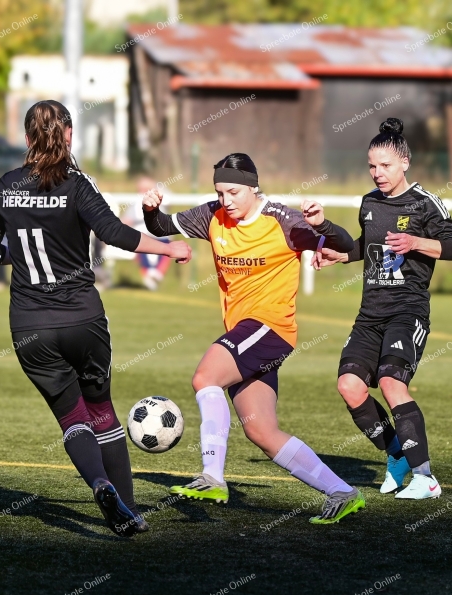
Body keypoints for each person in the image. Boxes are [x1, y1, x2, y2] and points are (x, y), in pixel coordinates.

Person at [0, 99, 191, 537]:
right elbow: (114, 233)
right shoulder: (76, 183)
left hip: (29, 325)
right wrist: (169, 248)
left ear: (27, 137)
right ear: (69, 135)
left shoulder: (7, 184)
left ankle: (99, 484)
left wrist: (20, 257)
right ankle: (129, 510)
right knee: (102, 411)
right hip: (82, 319)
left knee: (72, 418)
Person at [142, 152, 364, 525]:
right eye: (220, 192)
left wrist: (322, 224)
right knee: (261, 430)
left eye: (233, 192)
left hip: (270, 327)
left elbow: (342, 245)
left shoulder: (283, 221)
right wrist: (150, 210)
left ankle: (212, 477)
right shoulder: (213, 214)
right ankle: (342, 492)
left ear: (253, 187)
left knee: (205, 377)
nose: (226, 200)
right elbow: (162, 225)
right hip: (246, 332)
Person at [308, 118, 452, 499]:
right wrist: (339, 255)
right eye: (372, 166)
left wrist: (415, 242)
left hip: (407, 311)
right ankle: (397, 454)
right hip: (370, 315)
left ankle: (425, 478)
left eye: (385, 165)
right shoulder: (370, 202)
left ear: (405, 162)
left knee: (392, 383)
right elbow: (368, 243)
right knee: (349, 386)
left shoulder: (425, 202)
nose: (377, 173)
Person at [121, 176, 172, 291]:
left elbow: (169, 198)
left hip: (161, 235)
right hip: (142, 236)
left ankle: (157, 274)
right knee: (139, 247)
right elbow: (127, 219)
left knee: (167, 248)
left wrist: (154, 186)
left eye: (145, 188)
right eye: (141, 188)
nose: (143, 190)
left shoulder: (160, 196)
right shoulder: (135, 203)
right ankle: (148, 275)